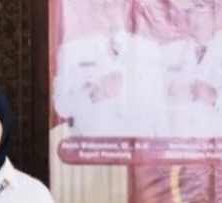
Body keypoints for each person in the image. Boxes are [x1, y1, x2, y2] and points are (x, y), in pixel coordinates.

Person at [53, 0, 167, 138]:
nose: (109, 9)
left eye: (115, 4)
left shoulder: (149, 50)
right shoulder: (73, 50)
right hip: (91, 147)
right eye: (103, 5)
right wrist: (94, 94)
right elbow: (61, 106)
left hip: (138, 146)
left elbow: (160, 114)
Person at [160, 0, 222, 139]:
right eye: (189, 10)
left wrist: (216, 98)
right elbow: (151, 100)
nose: (194, 16)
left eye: (200, 7)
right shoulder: (168, 52)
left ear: (215, 11)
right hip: (178, 142)